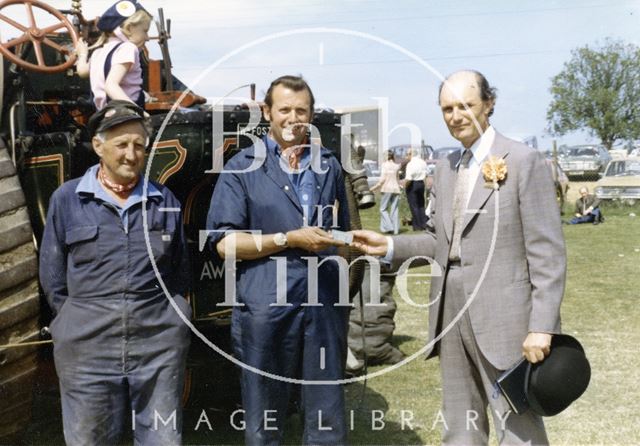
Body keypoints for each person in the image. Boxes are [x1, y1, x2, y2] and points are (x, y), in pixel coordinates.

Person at [352, 70, 566, 445]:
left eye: (466, 105)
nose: (456, 115)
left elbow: (547, 254)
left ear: (489, 104)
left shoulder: (523, 160)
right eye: (447, 108)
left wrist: (542, 326)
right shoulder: (447, 167)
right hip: (449, 311)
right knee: (460, 422)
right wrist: (387, 246)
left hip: (506, 318)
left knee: (518, 424)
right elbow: (440, 241)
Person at [206, 75, 350, 445]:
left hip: (322, 305)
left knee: (326, 416)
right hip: (266, 306)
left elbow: (343, 234)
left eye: (301, 110)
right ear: (267, 112)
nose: (293, 117)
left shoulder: (329, 166)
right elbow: (224, 244)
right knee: (265, 416)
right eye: (284, 109)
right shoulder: (241, 167)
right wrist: (288, 238)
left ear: (312, 115)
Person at [39, 100, 191, 445]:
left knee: (163, 439)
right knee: (89, 439)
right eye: (121, 144)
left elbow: (180, 272)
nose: (131, 154)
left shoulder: (164, 200)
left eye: (138, 145)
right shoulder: (68, 199)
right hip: (87, 346)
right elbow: (52, 275)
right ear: (98, 146)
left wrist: (176, 315)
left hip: (158, 344)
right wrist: (71, 322)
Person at [76, 1, 152, 109]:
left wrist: (82, 54)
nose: (147, 37)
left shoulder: (97, 53)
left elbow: (82, 71)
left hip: (103, 116)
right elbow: (111, 85)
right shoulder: (128, 48)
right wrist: (137, 111)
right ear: (129, 28)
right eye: (145, 31)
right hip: (125, 115)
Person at [370, 151, 402, 234]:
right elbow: (398, 179)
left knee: (383, 209)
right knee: (394, 210)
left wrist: (373, 188)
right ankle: (395, 230)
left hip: (387, 189)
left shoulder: (384, 165)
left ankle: (389, 227)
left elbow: (382, 180)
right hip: (396, 189)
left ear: (386, 156)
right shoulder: (396, 166)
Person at [404, 147, 429, 230]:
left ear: (411, 154)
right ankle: (424, 224)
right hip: (421, 183)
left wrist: (405, 186)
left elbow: (409, 178)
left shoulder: (410, 164)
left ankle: (417, 226)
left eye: (407, 154)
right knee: (421, 205)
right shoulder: (422, 162)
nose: (406, 156)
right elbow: (427, 174)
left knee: (414, 206)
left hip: (413, 184)